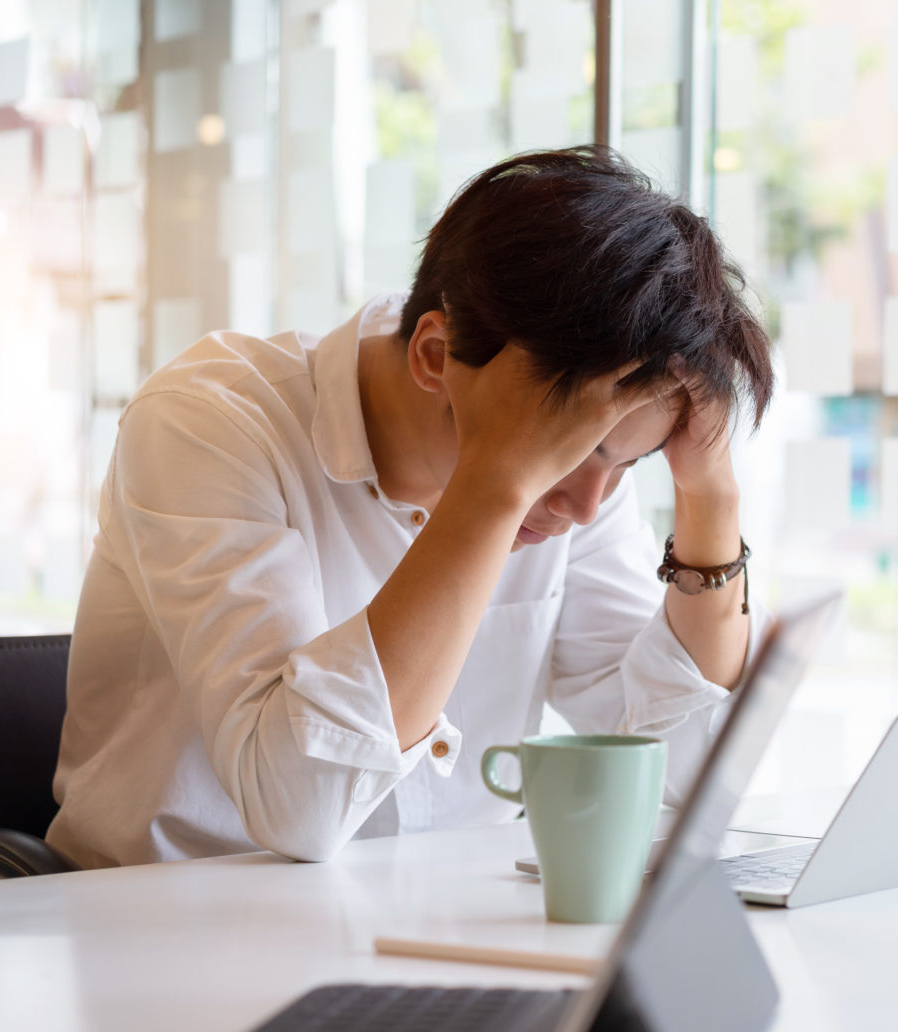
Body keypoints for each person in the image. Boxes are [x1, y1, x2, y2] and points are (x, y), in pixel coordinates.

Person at [47, 147, 774, 868]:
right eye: (574, 455)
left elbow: (685, 771)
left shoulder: (581, 490)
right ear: (435, 356)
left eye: (627, 463)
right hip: (167, 930)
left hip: (431, 926)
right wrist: (494, 491)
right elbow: (298, 804)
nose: (586, 507)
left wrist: (711, 495)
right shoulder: (208, 425)